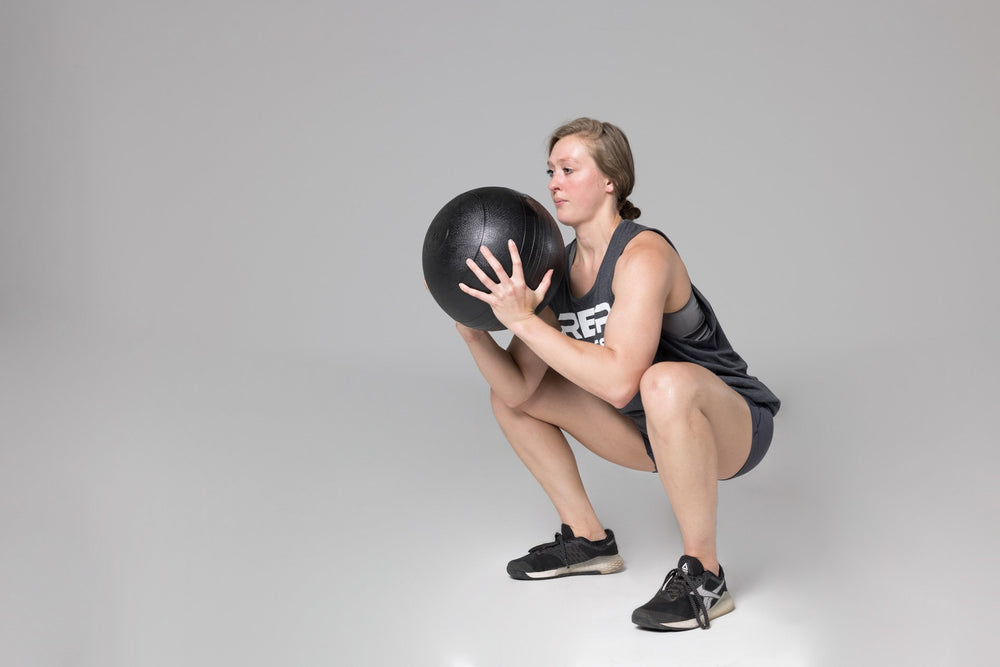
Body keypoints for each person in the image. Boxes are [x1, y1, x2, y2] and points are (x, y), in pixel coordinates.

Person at [453, 117, 780, 631]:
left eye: (567, 169)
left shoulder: (643, 253)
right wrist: (473, 329)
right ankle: (587, 540)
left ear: (610, 180)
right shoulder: (553, 272)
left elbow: (621, 382)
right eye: (550, 171)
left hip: (730, 426)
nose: (552, 183)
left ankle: (706, 578)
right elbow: (516, 386)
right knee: (509, 398)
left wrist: (522, 320)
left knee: (661, 380)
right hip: (649, 430)